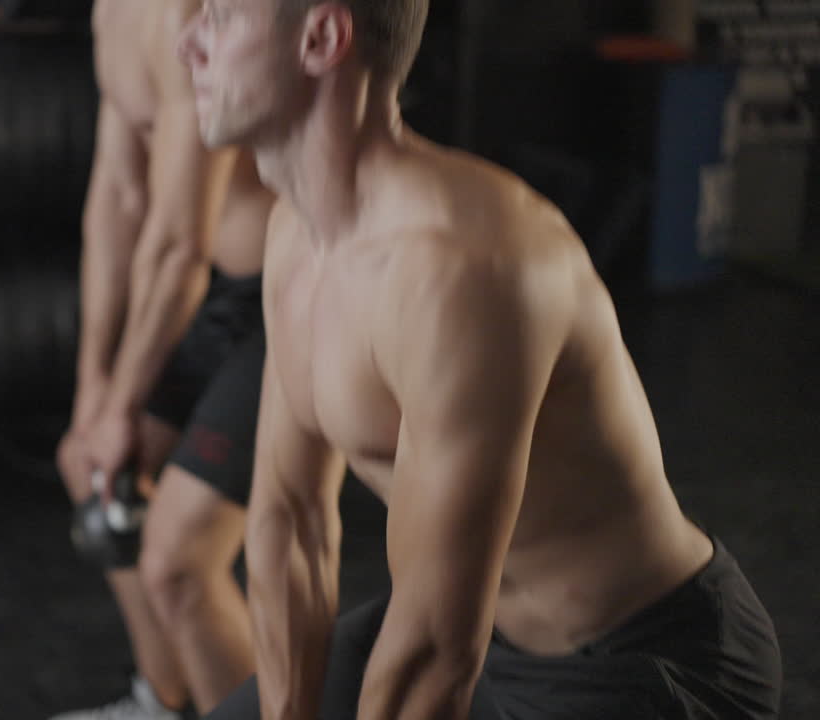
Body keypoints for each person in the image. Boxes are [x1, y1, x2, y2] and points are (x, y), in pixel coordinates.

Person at [177, 1, 783, 718]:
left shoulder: (465, 267)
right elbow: (291, 522)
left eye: (219, 16)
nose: (188, 41)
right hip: (489, 637)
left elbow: (435, 646)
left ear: (321, 38)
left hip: (644, 664)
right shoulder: (296, 236)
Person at [53, 1, 276, 718]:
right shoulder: (112, 12)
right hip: (212, 300)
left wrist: (122, 404)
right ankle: (164, 705)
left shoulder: (183, 12)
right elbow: (115, 198)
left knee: (179, 564)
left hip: (279, 301)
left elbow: (181, 241)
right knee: (89, 464)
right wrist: (94, 387)